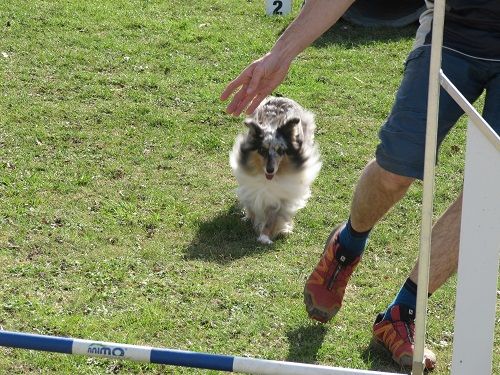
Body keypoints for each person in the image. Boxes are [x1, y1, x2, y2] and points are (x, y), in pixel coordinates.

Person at [221, 0, 500, 370]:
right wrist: (281, 53)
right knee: (395, 172)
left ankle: (402, 313)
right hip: (450, 37)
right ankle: (347, 244)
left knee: (489, 192)